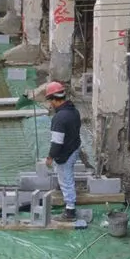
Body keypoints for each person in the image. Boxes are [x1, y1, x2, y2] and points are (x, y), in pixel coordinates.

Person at [42, 82, 82, 222]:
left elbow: (57, 143)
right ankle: (62, 187)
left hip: (66, 153)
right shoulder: (74, 111)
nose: (50, 104)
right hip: (74, 148)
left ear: (54, 99)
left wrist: (50, 157)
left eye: (50, 101)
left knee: (66, 179)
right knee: (65, 176)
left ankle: (70, 211)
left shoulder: (59, 118)